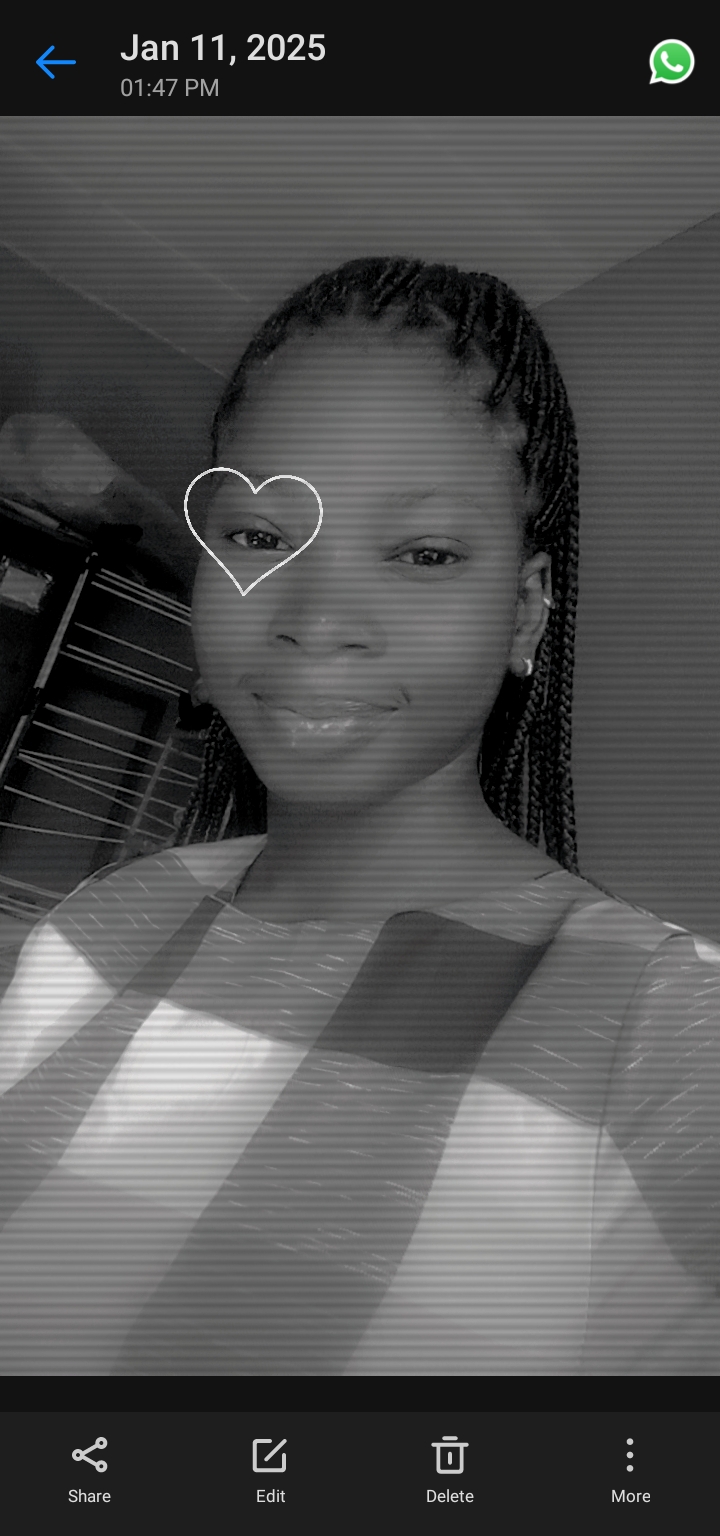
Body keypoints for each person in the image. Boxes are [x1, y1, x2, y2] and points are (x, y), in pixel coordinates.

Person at [0, 256, 718, 1376]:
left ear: (524, 612)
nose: (318, 617)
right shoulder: (97, 921)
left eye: (424, 554)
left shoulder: (670, 1022)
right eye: (257, 536)